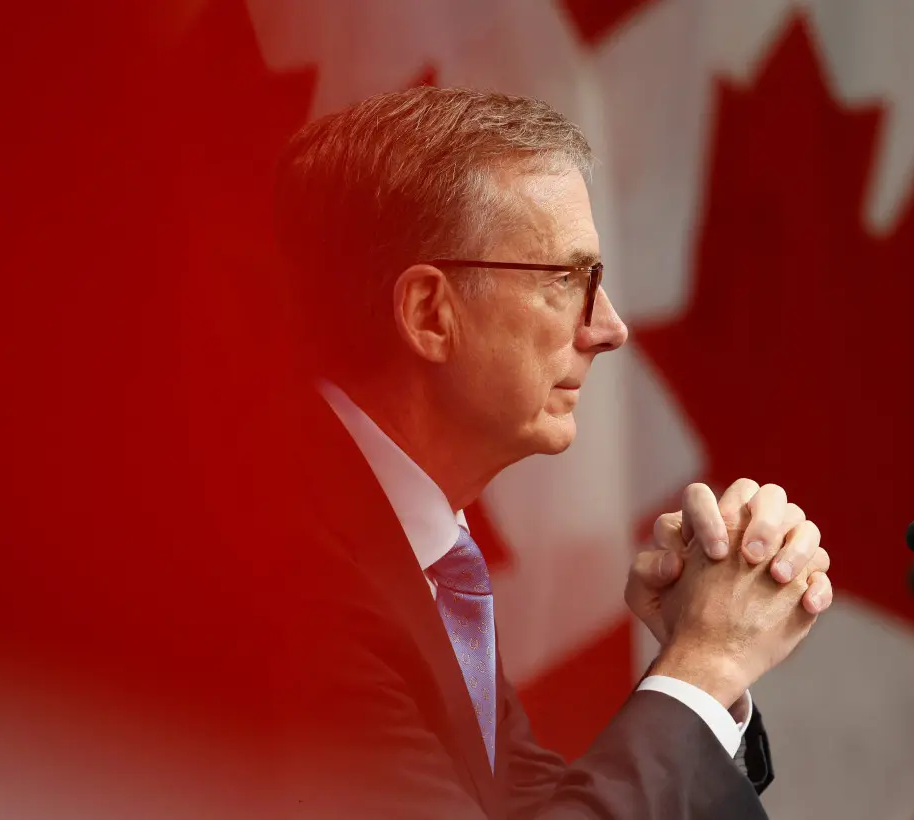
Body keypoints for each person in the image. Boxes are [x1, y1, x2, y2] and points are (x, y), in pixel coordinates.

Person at [269, 85, 834, 819]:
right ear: (430, 315)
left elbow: (524, 804)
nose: (610, 328)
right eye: (567, 278)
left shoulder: (415, 545)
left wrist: (703, 674)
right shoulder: (289, 570)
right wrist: (706, 659)